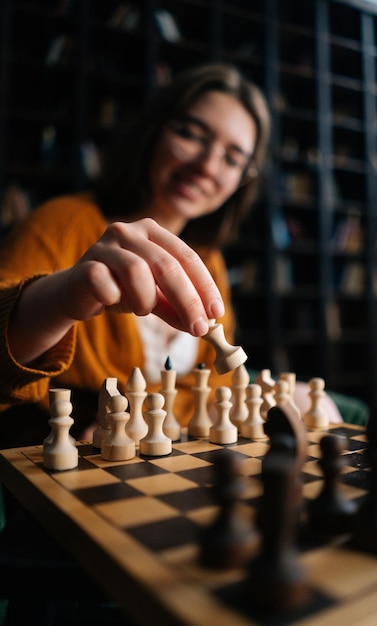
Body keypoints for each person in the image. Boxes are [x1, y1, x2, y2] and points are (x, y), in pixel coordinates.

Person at [0, 62, 342, 448]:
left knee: (315, 407)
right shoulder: (61, 223)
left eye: (232, 159)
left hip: (165, 445)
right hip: (76, 451)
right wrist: (60, 299)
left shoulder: (209, 259)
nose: (206, 166)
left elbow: (215, 386)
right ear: (153, 132)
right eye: (192, 135)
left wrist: (153, 419)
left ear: (243, 180)